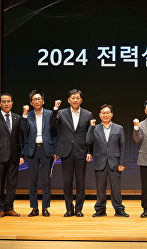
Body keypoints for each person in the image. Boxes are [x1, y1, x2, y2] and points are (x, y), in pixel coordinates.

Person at [50, 89, 93, 217]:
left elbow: (89, 134)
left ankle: (79, 209)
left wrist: (89, 151)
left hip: (81, 151)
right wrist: (55, 108)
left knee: (80, 181)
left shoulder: (88, 114)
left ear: (81, 100)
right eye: (72, 98)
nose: (75, 100)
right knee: (67, 181)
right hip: (66, 151)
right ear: (69, 100)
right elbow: (52, 123)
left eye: (77, 98)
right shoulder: (61, 113)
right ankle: (69, 208)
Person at [86, 104, 129, 217]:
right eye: (103, 113)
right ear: (100, 115)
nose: (105, 115)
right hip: (100, 161)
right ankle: (100, 209)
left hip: (114, 162)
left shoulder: (119, 128)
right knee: (100, 187)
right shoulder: (94, 128)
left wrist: (122, 162)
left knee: (116, 188)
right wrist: (91, 127)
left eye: (107, 112)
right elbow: (88, 141)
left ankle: (119, 209)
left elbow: (122, 146)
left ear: (112, 114)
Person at [0, 93, 25, 218]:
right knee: (0, 183)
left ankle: (9, 208)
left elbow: (20, 138)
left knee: (12, 184)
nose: (6, 103)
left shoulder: (17, 118)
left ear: (12, 103)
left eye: (8, 101)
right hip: (0, 155)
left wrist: (21, 155)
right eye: (3, 101)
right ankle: (1, 208)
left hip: (14, 155)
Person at [21, 90, 57, 217]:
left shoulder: (50, 114)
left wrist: (55, 150)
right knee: (33, 180)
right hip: (32, 150)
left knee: (46, 180)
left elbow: (55, 133)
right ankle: (34, 208)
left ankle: (45, 208)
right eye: (34, 99)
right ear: (31, 102)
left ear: (43, 101)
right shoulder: (28, 115)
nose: (37, 101)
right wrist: (24, 115)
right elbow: (23, 131)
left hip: (47, 150)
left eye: (39, 99)